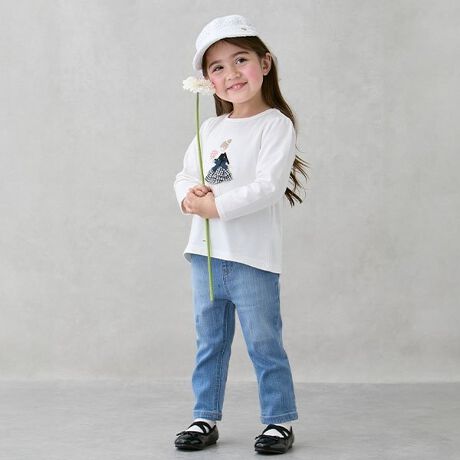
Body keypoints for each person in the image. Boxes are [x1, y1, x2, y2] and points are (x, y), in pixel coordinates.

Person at [173, 14, 309, 454]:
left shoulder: (275, 125)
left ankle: (279, 420)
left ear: (264, 63)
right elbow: (186, 174)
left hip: (252, 258)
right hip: (206, 255)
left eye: (240, 60)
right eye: (217, 67)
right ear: (208, 81)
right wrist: (189, 196)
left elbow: (268, 187)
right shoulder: (211, 128)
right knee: (209, 340)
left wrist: (216, 206)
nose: (231, 73)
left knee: (264, 341)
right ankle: (204, 415)